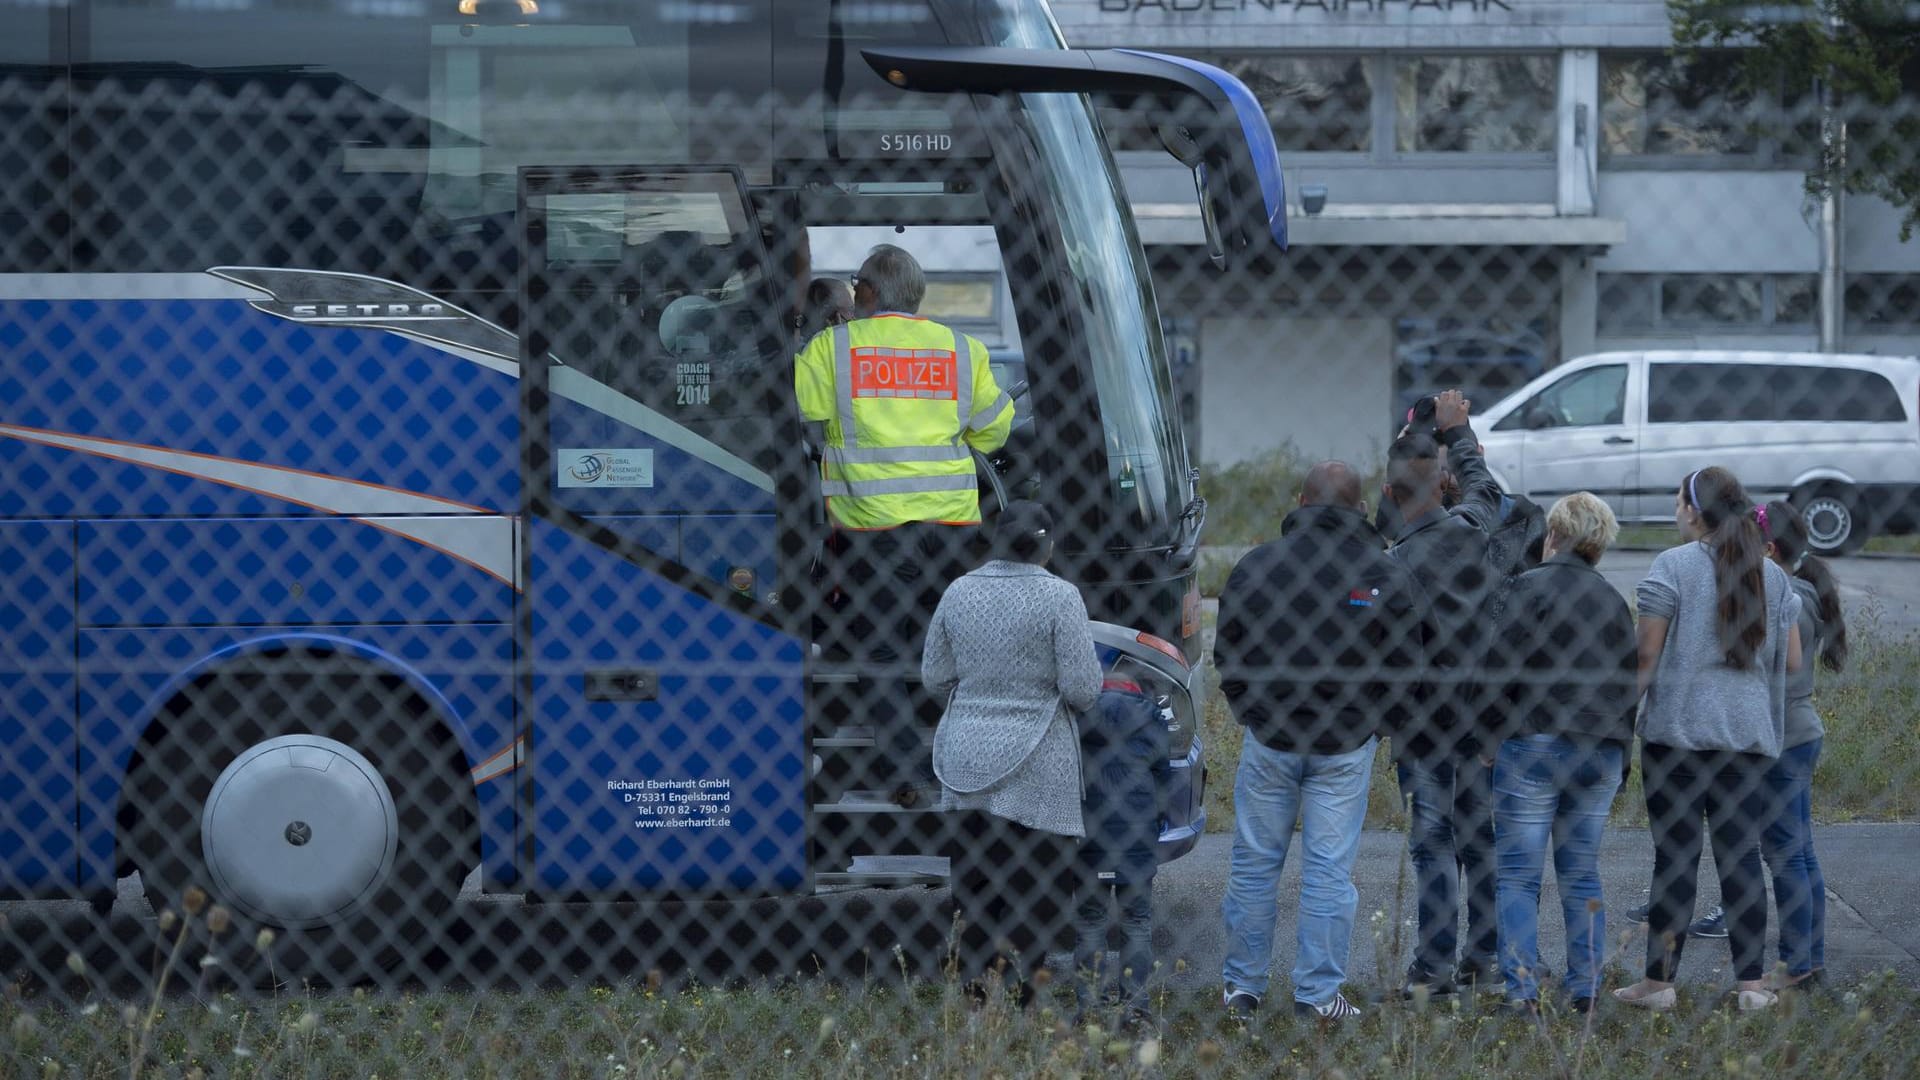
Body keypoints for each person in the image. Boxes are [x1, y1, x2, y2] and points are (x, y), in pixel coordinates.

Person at [1214, 461, 1429, 1023]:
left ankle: (1242, 989)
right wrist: (1374, 724)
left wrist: (1251, 711)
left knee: (1255, 866)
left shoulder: (1257, 567)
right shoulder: (1382, 573)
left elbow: (1228, 651)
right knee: (1329, 871)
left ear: (1300, 501)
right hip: (1344, 745)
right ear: (1361, 509)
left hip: (1271, 738)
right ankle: (1316, 996)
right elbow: (1407, 667)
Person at [1614, 467, 1803, 1013]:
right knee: (1740, 856)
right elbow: (1791, 660)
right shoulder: (1772, 575)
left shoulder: (1672, 566)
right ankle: (1749, 985)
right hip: (1745, 741)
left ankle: (1659, 983)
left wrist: (1624, 719)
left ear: (1694, 511)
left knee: (1674, 856)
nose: (1677, 511)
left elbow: (1645, 659)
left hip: (1678, 737)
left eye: (1678, 502)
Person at [795, 243, 1017, 662]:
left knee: (881, 651)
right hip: (953, 522)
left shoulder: (834, 347)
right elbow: (994, 429)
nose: (854, 290)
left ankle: (893, 726)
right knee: (952, 645)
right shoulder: (962, 348)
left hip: (876, 525)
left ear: (872, 294)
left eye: (857, 283)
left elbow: (797, 408)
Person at [924, 501, 1100, 1005]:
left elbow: (934, 676)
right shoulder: (1060, 596)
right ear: (1047, 545)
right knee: (1037, 885)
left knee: (975, 880)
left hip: (966, 759)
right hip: (1038, 761)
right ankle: (1026, 993)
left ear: (996, 540)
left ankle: (973, 991)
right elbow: (1083, 689)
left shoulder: (958, 591)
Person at [1481, 492, 1638, 1014]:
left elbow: (1497, 669)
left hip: (1536, 742)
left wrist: (1489, 737)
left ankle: (1522, 991)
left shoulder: (1525, 588)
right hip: (1600, 750)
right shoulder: (1613, 601)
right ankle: (1586, 988)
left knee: (1520, 876)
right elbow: (1628, 683)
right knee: (1581, 871)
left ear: (1553, 535)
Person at [1381, 389, 1505, 996]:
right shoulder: (1472, 531)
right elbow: (1486, 492)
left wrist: (1415, 435)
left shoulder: (1394, 565)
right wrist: (1457, 434)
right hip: (1480, 725)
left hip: (1424, 730)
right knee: (1479, 842)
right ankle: (1483, 958)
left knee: (1433, 848)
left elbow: (1396, 493)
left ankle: (1432, 967)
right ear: (1446, 483)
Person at [1749, 498, 1846, 992]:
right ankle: (1809, 960)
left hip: (1783, 737)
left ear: (1768, 549)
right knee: (1799, 852)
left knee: (1785, 854)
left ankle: (1795, 965)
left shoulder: (1784, 594)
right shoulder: (1803, 589)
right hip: (1800, 730)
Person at [1072, 674, 1169, 1028]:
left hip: (1089, 838)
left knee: (1090, 923)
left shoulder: (1078, 716)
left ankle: (1090, 1009)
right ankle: (1136, 1008)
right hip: (1136, 839)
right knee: (1137, 924)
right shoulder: (1152, 718)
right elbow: (1164, 778)